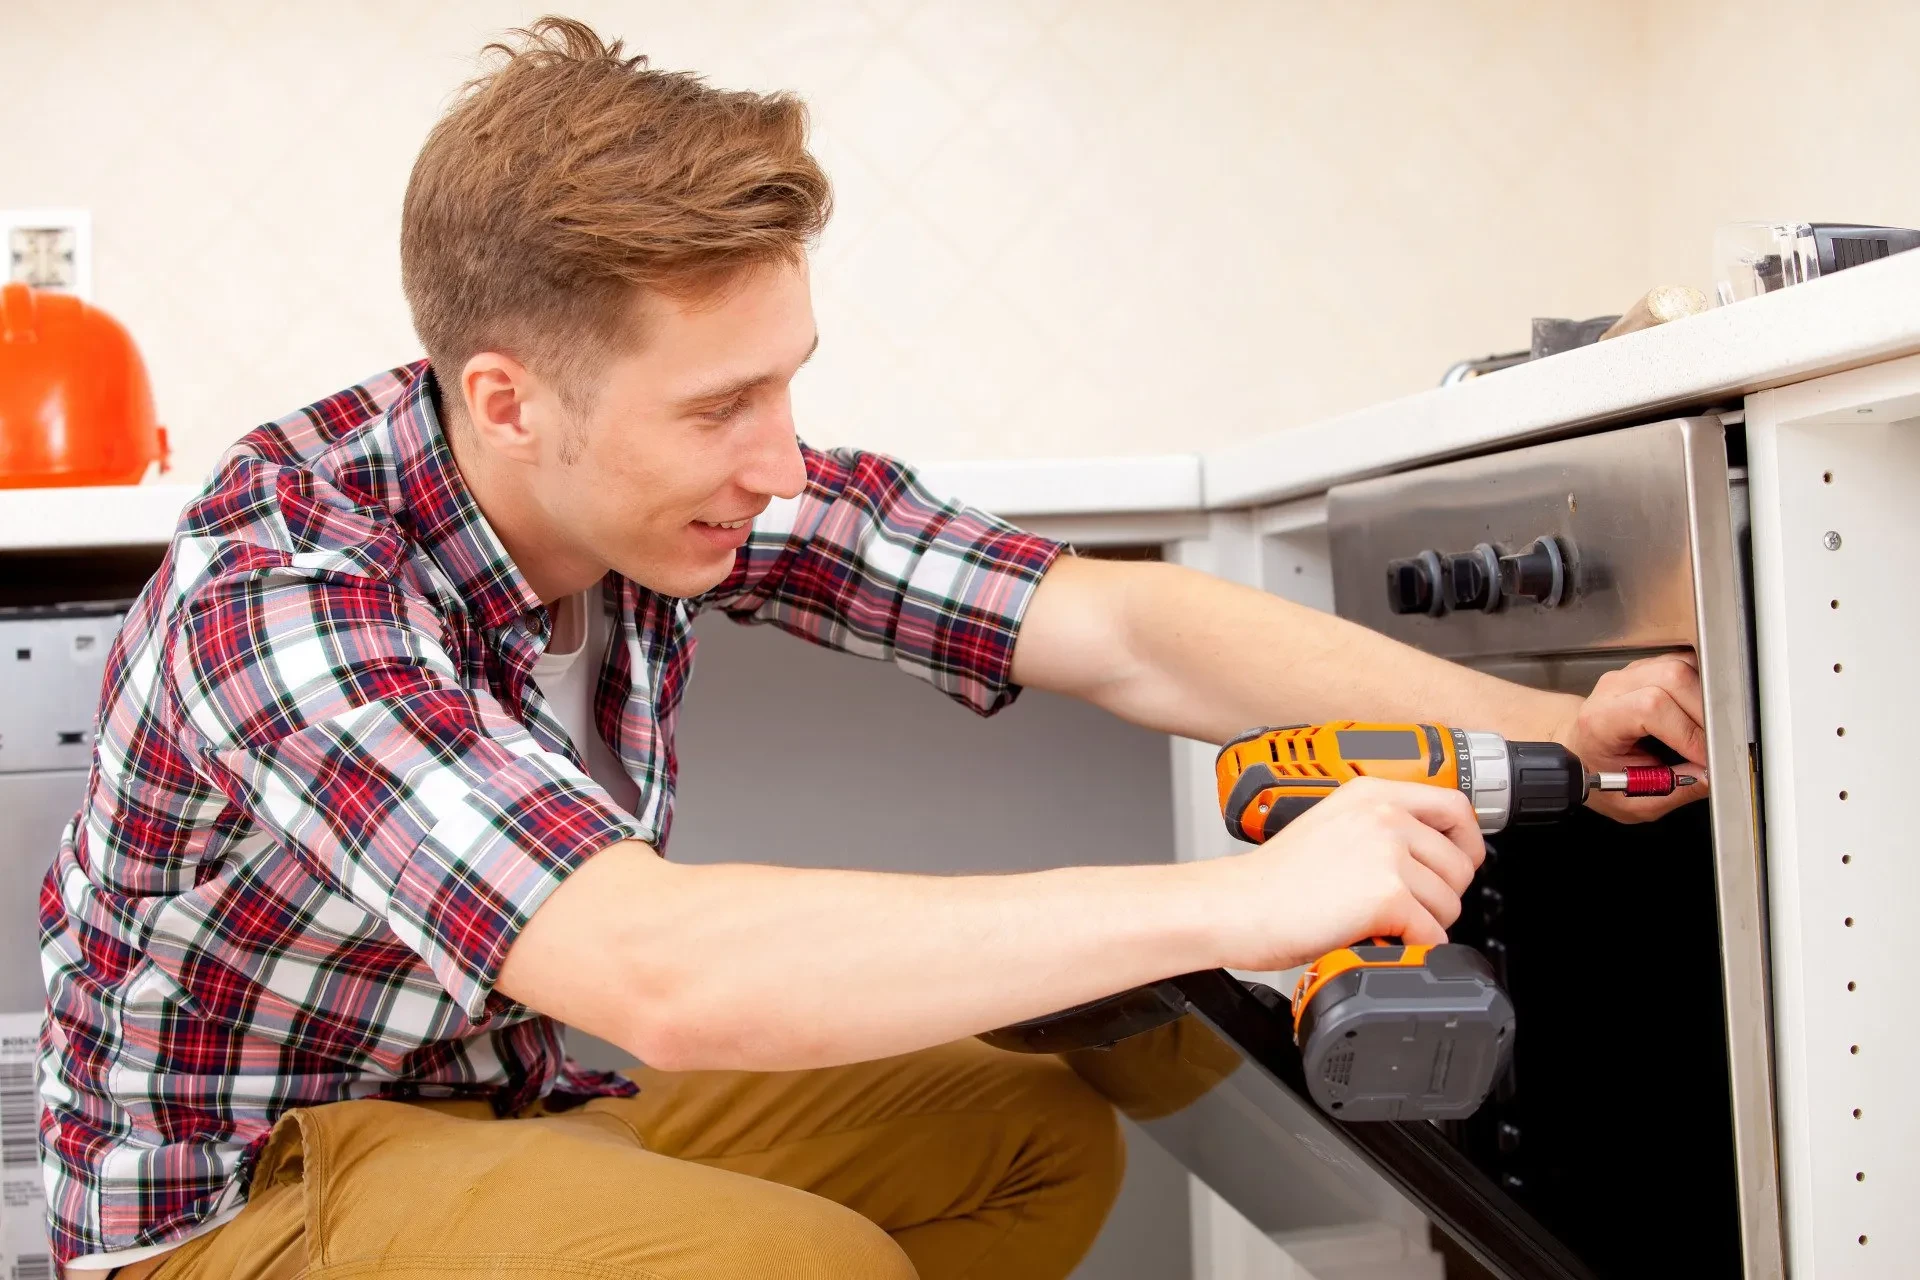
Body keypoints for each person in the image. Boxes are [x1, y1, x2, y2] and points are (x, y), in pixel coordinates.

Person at [40, 17, 1709, 1280]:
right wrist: (1252, 901)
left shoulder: (661, 494)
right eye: (720, 405)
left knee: (1034, 1144)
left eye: (786, 379)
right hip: (235, 1202)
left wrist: (1559, 721)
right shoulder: (288, 581)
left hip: (487, 1108)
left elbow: (1115, 625)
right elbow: (660, 975)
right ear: (507, 399)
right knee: (799, 1268)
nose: (780, 458)